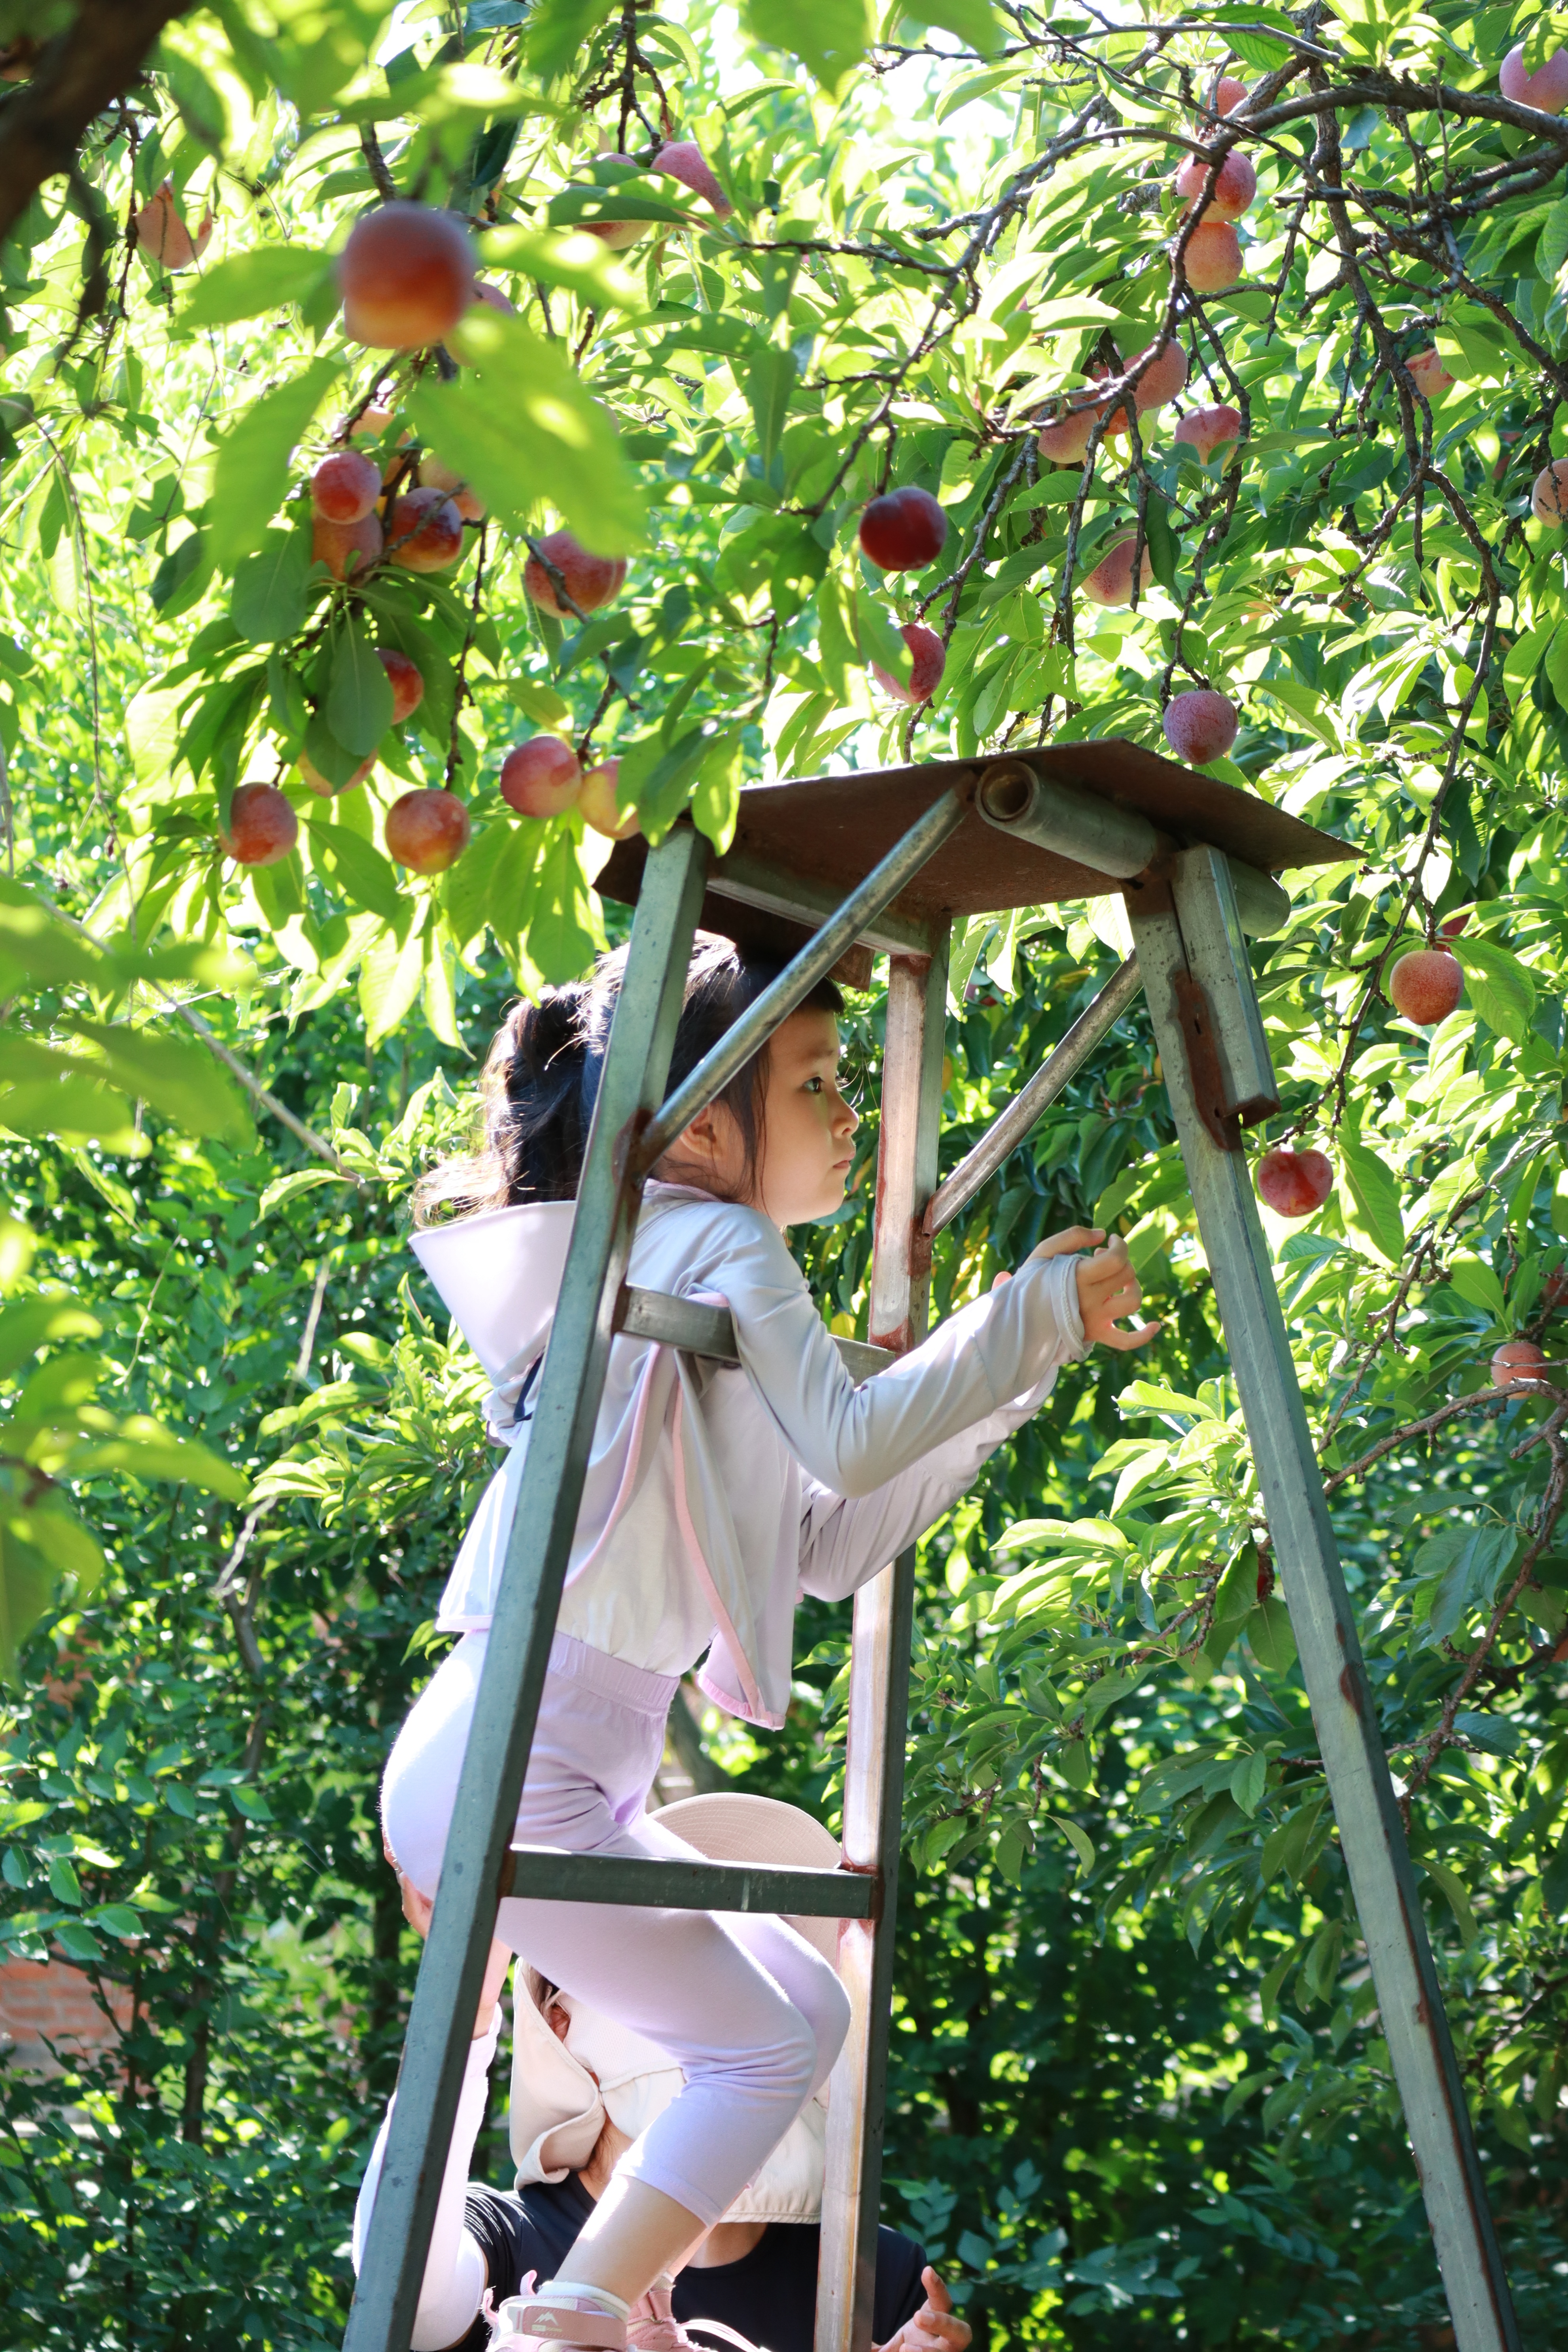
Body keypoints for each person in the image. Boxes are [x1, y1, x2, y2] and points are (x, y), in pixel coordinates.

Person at [373, 933, 1157, 2352]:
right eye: (816, 1083)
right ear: (705, 1124)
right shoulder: (713, 1242)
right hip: (521, 1764)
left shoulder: (686, 1260)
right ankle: (577, 2310)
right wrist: (1022, 1315)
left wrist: (1007, 1375)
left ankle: (588, 2298)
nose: (851, 1114)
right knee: (766, 2041)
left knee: (803, 1999)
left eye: (845, 1079)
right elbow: (856, 1441)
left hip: (534, 1762)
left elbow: (826, 1539)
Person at [357, 1794, 972, 2352]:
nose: (719, 1999)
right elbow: (405, 2293)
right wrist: (472, 1972)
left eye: (751, 1965)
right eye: (674, 1957)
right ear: (560, 2019)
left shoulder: (867, 2276)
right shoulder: (504, 2238)